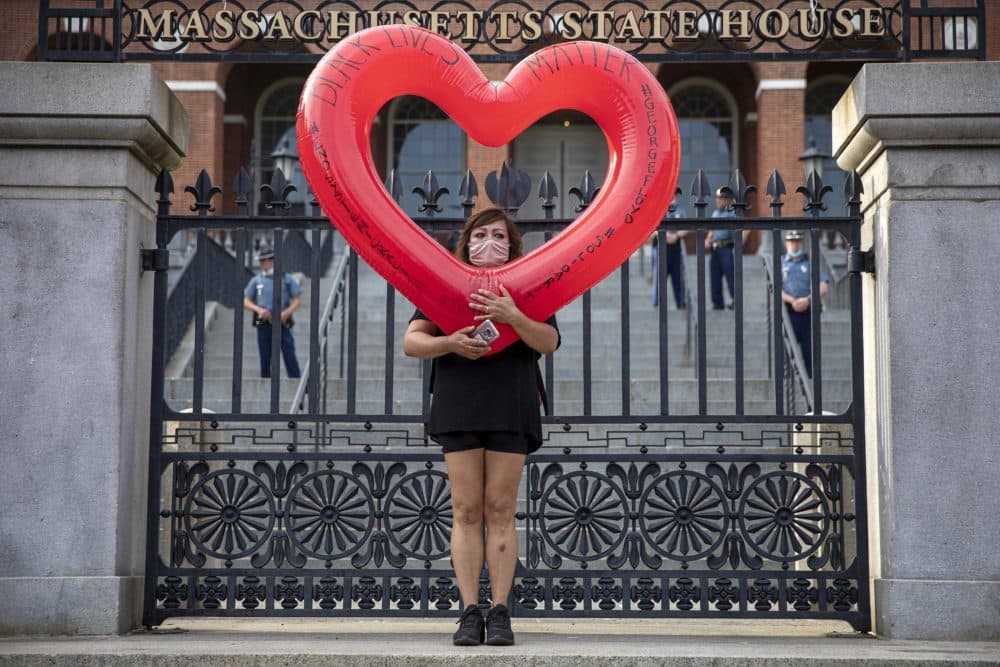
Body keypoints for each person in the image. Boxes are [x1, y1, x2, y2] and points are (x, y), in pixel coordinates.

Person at [403, 207, 559, 647]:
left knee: (501, 509)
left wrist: (514, 315)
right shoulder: (446, 286)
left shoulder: (529, 285)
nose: (489, 242)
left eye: (498, 235)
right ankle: (470, 611)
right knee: (466, 509)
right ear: (466, 242)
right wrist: (449, 342)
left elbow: (549, 341)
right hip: (459, 401)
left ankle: (502, 610)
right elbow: (411, 341)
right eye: (480, 234)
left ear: (512, 244)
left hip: (511, 402)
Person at [243, 244, 302, 378]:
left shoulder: (286, 278)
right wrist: (258, 309)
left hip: (282, 320)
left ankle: (295, 381)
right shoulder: (256, 280)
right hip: (263, 320)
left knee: (289, 352)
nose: (263, 263)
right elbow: (246, 301)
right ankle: (265, 381)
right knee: (265, 355)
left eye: (266, 260)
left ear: (272, 260)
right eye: (261, 260)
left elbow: (297, 300)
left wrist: (286, 313)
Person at [781, 230, 829, 377]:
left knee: (810, 350)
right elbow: (775, 289)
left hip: (809, 312)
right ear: (786, 243)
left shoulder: (810, 262)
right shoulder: (780, 263)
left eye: (796, 241)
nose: (794, 245)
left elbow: (823, 286)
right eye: (791, 241)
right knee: (787, 350)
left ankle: (811, 380)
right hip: (789, 312)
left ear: (801, 242)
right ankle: (787, 381)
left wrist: (807, 299)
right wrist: (793, 301)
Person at [704, 187, 750, 310]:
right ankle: (717, 304)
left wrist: (738, 247)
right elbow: (712, 231)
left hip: (727, 248)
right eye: (717, 198)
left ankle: (736, 302)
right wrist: (708, 239)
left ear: (728, 199)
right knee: (715, 279)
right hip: (715, 250)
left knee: (731, 278)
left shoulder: (733, 212)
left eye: (721, 198)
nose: (718, 201)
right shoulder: (715, 213)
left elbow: (746, 230)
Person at [651, 198, 687, 309]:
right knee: (660, 277)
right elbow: (652, 227)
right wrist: (666, 235)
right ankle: (657, 304)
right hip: (662, 246)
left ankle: (680, 303)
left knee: (678, 277)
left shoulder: (680, 211)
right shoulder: (659, 210)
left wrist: (676, 236)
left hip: (676, 248)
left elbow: (686, 227)